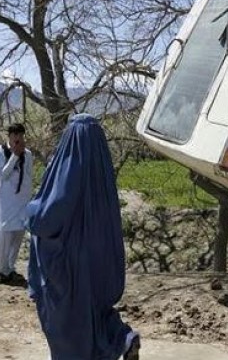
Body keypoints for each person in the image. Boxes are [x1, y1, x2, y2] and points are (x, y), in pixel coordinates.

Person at [27, 114, 139, 360]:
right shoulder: (102, 168)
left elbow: (47, 217)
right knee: (96, 311)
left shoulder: (65, 166)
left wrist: (31, 213)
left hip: (70, 263)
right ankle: (122, 338)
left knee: (69, 324)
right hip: (100, 257)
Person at [0, 123, 34, 286]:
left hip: (22, 200)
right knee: (3, 235)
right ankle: (1, 270)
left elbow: (28, 176)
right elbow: (2, 175)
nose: (18, 138)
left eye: (20, 135)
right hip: (5, 200)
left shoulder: (28, 154)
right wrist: (14, 155)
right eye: (14, 135)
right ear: (9, 136)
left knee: (17, 234)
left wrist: (29, 199)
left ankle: (10, 268)